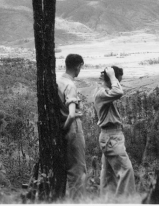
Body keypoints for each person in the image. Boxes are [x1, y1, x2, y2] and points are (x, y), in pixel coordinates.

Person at [93, 65, 136, 196]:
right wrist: (112, 76)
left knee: (108, 178)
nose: (117, 84)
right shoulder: (102, 93)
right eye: (117, 81)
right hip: (111, 137)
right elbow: (119, 92)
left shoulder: (103, 92)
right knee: (126, 172)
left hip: (110, 137)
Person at [57, 53, 86, 195]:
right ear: (78, 66)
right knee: (78, 170)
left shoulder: (58, 81)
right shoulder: (70, 85)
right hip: (73, 128)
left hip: (65, 129)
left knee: (69, 169)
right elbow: (72, 113)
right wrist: (64, 128)